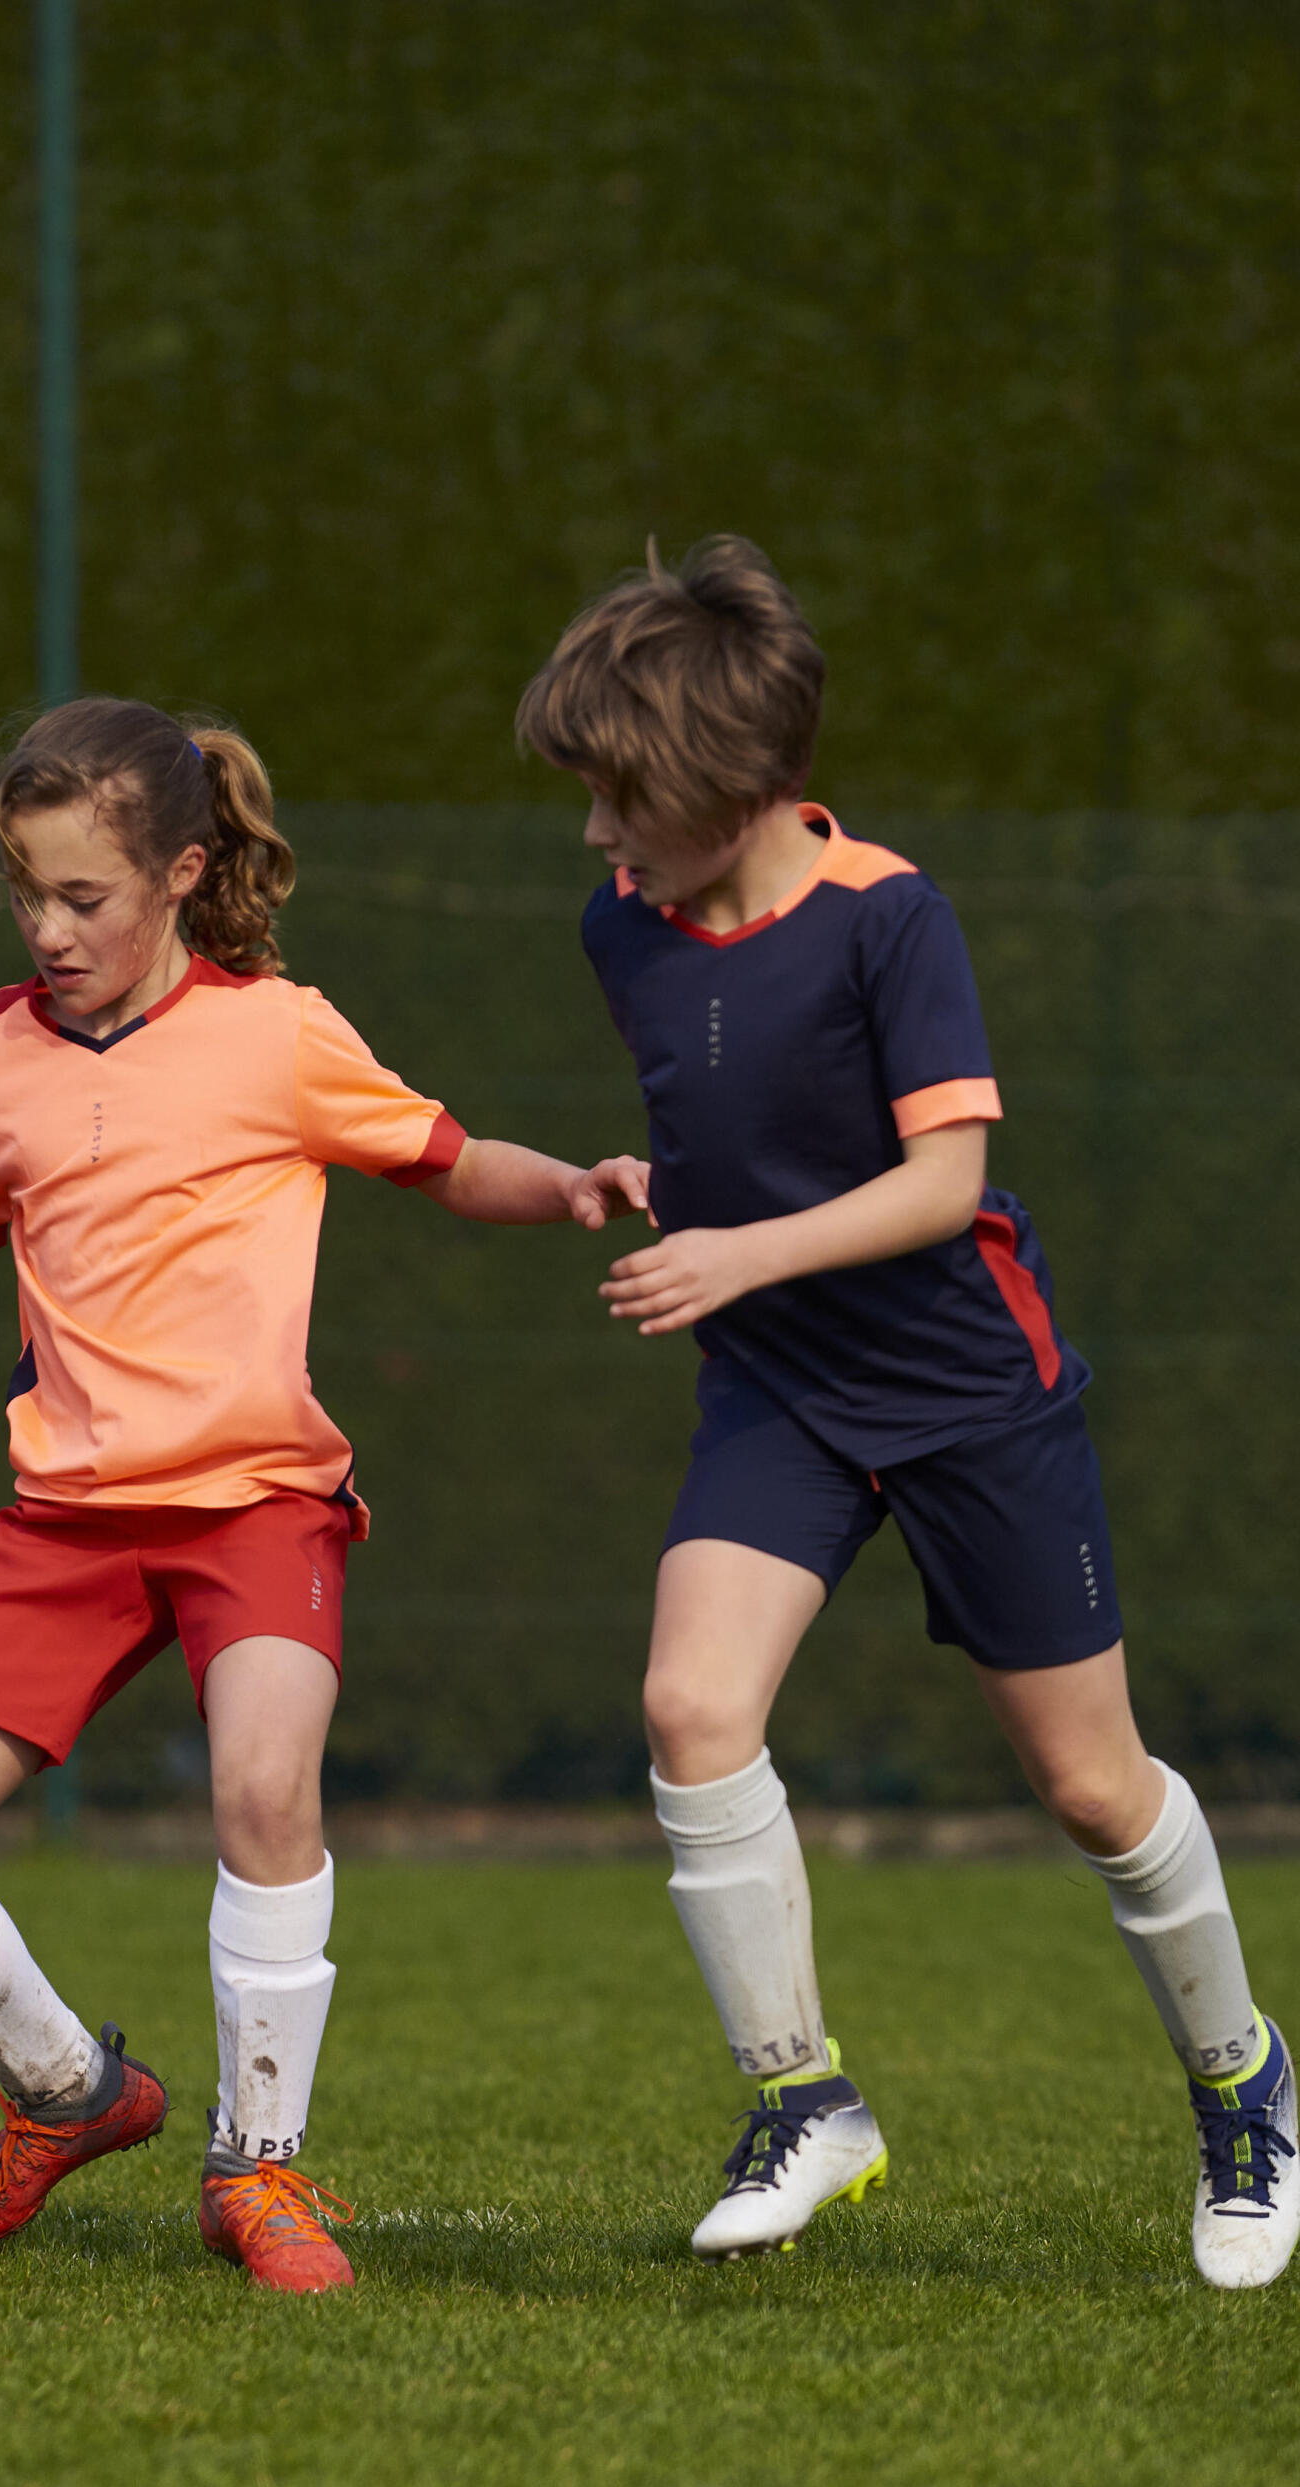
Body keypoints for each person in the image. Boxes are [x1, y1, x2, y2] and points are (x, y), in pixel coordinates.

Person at [0, 697, 646, 2295]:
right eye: (27, 893)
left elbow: (444, 1155)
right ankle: (69, 2097)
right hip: (66, 1525)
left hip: (257, 1505)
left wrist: (577, 1183)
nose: (45, 928)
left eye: (82, 899)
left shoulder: (277, 1036)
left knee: (264, 1792)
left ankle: (256, 2170)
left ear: (181, 874)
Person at [516, 537, 1296, 2290]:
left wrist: (737, 1252)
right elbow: (742, 1123)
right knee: (688, 1705)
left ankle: (1245, 2085)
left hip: (967, 1394)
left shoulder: (891, 915)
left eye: (621, 796)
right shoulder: (618, 929)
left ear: (733, 781)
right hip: (783, 1387)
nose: (594, 836)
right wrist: (666, 1189)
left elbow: (946, 1185)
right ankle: (808, 2103)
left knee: (1094, 1791)